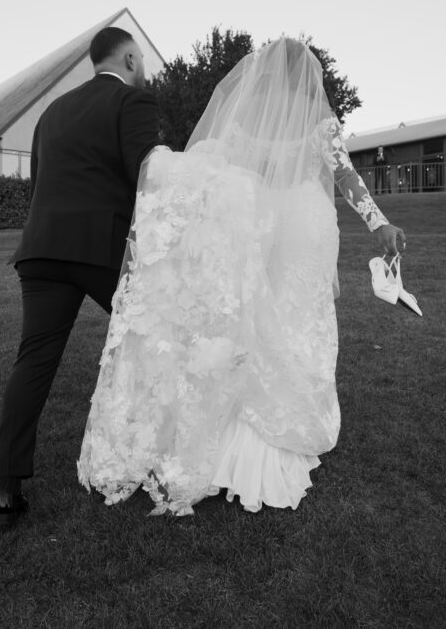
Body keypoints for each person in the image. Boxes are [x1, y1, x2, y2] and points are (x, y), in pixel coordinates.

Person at [77, 38, 406, 515]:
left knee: (257, 319)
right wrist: (380, 225)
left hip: (263, 226)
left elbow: (209, 171)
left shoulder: (245, 119)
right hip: (308, 229)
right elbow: (347, 179)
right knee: (303, 320)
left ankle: (235, 430)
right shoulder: (320, 122)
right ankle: (292, 422)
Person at [0, 27, 161, 526]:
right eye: (141, 59)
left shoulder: (51, 113)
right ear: (129, 58)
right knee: (156, 337)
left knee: (33, 363)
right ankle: (160, 450)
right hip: (101, 250)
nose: (143, 67)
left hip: (41, 250)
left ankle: (5, 488)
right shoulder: (133, 102)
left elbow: (39, 183)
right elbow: (148, 177)